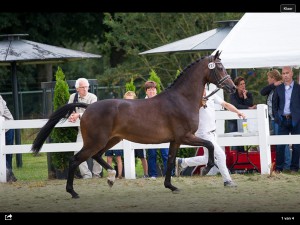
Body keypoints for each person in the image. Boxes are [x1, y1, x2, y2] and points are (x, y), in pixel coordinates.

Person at [175, 88, 245, 187]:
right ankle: (227, 181)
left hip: (213, 132)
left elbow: (225, 104)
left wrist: (238, 111)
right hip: (203, 133)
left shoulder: (211, 94)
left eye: (203, 87)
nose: (202, 89)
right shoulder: (193, 97)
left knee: (207, 158)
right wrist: (199, 103)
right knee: (221, 155)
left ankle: (182, 162)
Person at [68, 78, 102, 179]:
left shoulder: (93, 97)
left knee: (97, 151)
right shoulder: (72, 97)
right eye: (82, 87)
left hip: (95, 129)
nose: (85, 89)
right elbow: (69, 109)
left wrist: (79, 115)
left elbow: (93, 113)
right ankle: (86, 175)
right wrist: (71, 115)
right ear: (77, 88)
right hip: (82, 129)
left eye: (87, 87)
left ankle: (96, 175)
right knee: (77, 152)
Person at [260, 69, 290, 170]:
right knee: (279, 143)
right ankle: (282, 166)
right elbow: (262, 92)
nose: (268, 80)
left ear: (273, 78)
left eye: (269, 78)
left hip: (279, 119)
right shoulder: (272, 87)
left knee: (282, 142)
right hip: (273, 119)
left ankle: (285, 166)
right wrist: (273, 85)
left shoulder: (282, 86)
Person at [272, 66, 300, 173]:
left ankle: (294, 168)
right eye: (283, 73)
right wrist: (277, 118)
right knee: (280, 145)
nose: (285, 75)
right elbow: (274, 105)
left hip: (296, 120)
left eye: (287, 73)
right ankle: (279, 168)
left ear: (292, 74)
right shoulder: (278, 89)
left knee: (297, 145)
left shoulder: (298, 88)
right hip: (282, 120)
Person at [144, 81, 169, 180]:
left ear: (156, 90)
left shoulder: (163, 100)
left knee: (165, 153)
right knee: (152, 154)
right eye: (149, 89)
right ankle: (153, 174)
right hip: (149, 132)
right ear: (146, 91)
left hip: (163, 131)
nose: (151, 91)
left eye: (153, 89)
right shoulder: (142, 103)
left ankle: (169, 173)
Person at [123, 90, 149, 178]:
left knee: (142, 156)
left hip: (139, 136)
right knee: (129, 156)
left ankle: (146, 174)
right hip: (128, 137)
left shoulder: (139, 109)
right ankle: (132, 173)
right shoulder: (123, 111)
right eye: (127, 100)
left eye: (131, 100)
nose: (129, 102)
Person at [229, 76, 257, 152]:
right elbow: (235, 105)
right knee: (235, 138)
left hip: (244, 120)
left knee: (243, 137)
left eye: (244, 84)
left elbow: (250, 104)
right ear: (237, 86)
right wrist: (247, 108)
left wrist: (245, 96)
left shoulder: (249, 94)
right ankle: (235, 156)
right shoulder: (233, 94)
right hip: (233, 119)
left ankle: (242, 154)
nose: (243, 86)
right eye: (241, 84)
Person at [0, 95, 17, 182]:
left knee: (8, 153)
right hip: (2, 128)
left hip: (7, 127)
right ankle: (9, 175)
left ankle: (9, 175)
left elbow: (0, 112)